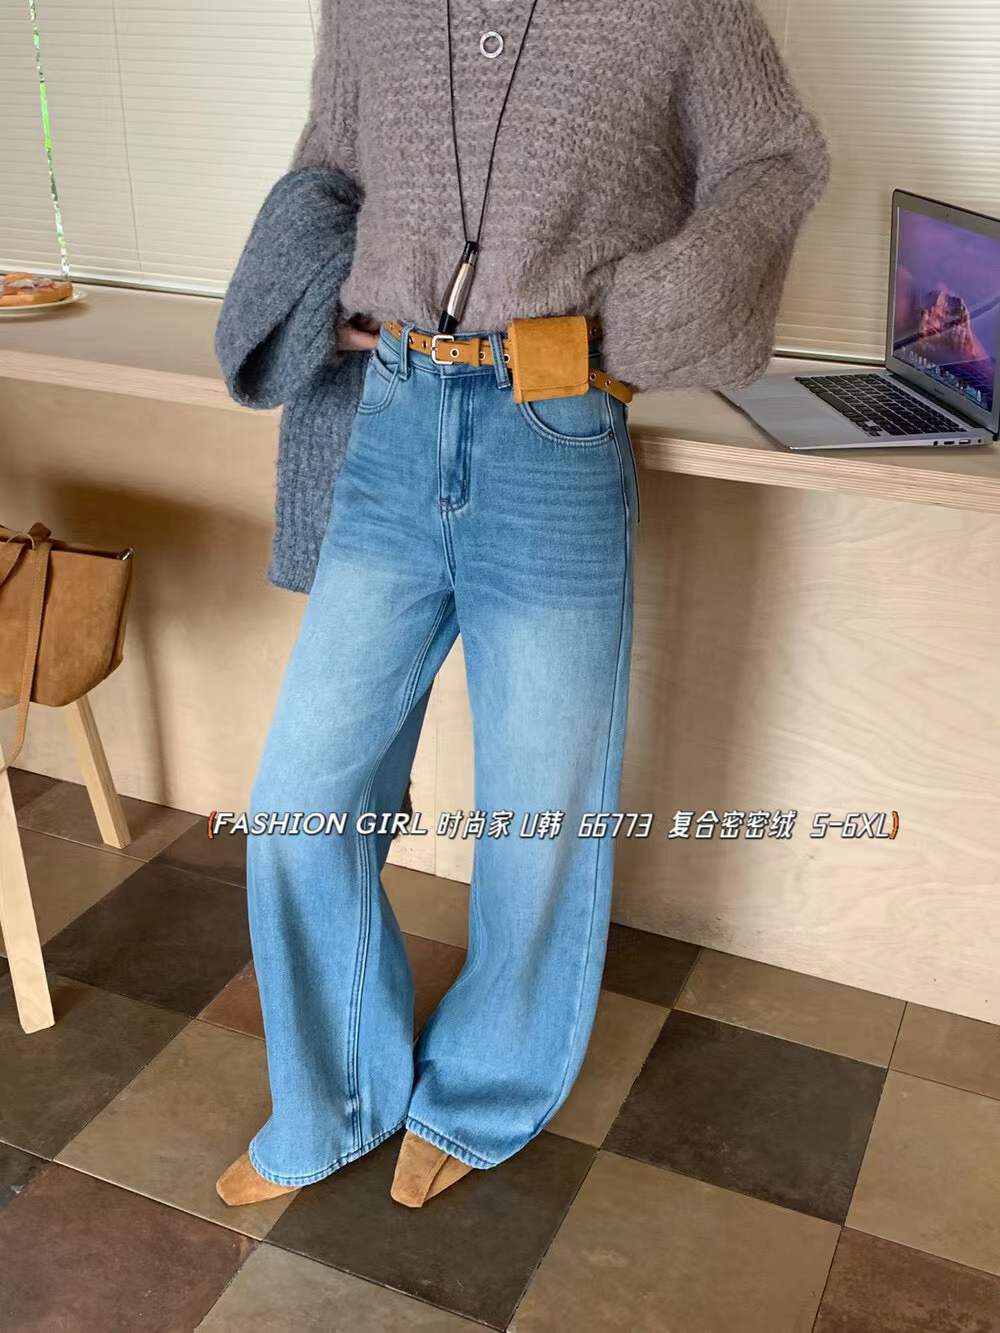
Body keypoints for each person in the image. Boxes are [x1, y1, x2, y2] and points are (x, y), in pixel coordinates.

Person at [215, 0, 830, 1209]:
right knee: (301, 800)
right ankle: (333, 1097)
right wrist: (336, 299)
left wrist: (633, 323)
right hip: (389, 423)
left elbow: (775, 161)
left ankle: (484, 1090)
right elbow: (329, 166)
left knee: (540, 815)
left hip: (552, 434)